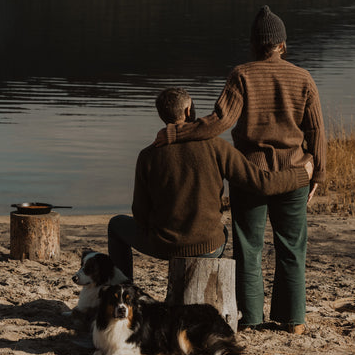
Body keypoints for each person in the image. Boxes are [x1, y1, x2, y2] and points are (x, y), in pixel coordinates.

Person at [156, 6, 325, 334]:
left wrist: (176, 132)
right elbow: (317, 131)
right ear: (282, 45)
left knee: (249, 247)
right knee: (291, 247)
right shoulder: (303, 78)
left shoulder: (241, 75)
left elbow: (219, 122)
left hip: (250, 175)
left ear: (252, 45)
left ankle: (250, 317)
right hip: (294, 175)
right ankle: (293, 322)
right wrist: (317, 174)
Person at [108, 86, 312, 283]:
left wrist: (156, 230)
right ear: (189, 111)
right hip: (207, 248)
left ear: (162, 115)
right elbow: (261, 183)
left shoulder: (148, 155)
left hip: (163, 247)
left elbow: (140, 211)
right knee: (221, 232)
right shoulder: (216, 146)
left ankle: (122, 290)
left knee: (116, 224)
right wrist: (303, 175)